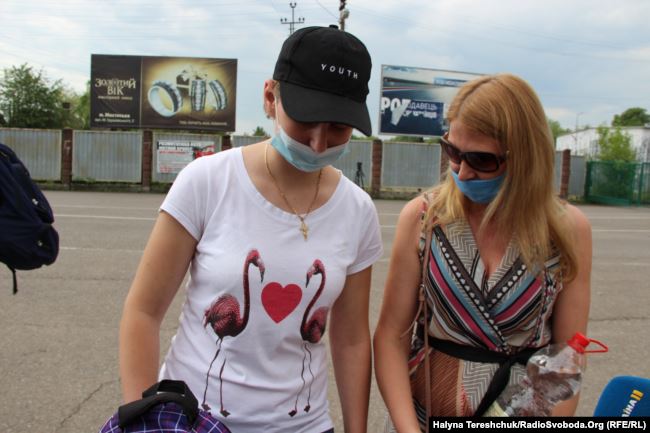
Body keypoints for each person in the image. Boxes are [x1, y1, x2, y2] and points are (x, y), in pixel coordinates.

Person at [119, 25, 382, 433]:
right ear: (270, 97)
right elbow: (143, 311)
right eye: (306, 119)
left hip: (305, 425)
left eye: (338, 128)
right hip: (193, 421)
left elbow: (350, 340)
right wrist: (144, 421)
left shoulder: (358, 211)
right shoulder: (207, 181)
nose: (318, 143)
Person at [373, 73, 592, 430]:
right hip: (422, 417)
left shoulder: (566, 229)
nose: (462, 172)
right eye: (452, 151)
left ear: (524, 157)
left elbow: (567, 355)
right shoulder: (425, 218)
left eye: (481, 159)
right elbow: (390, 337)